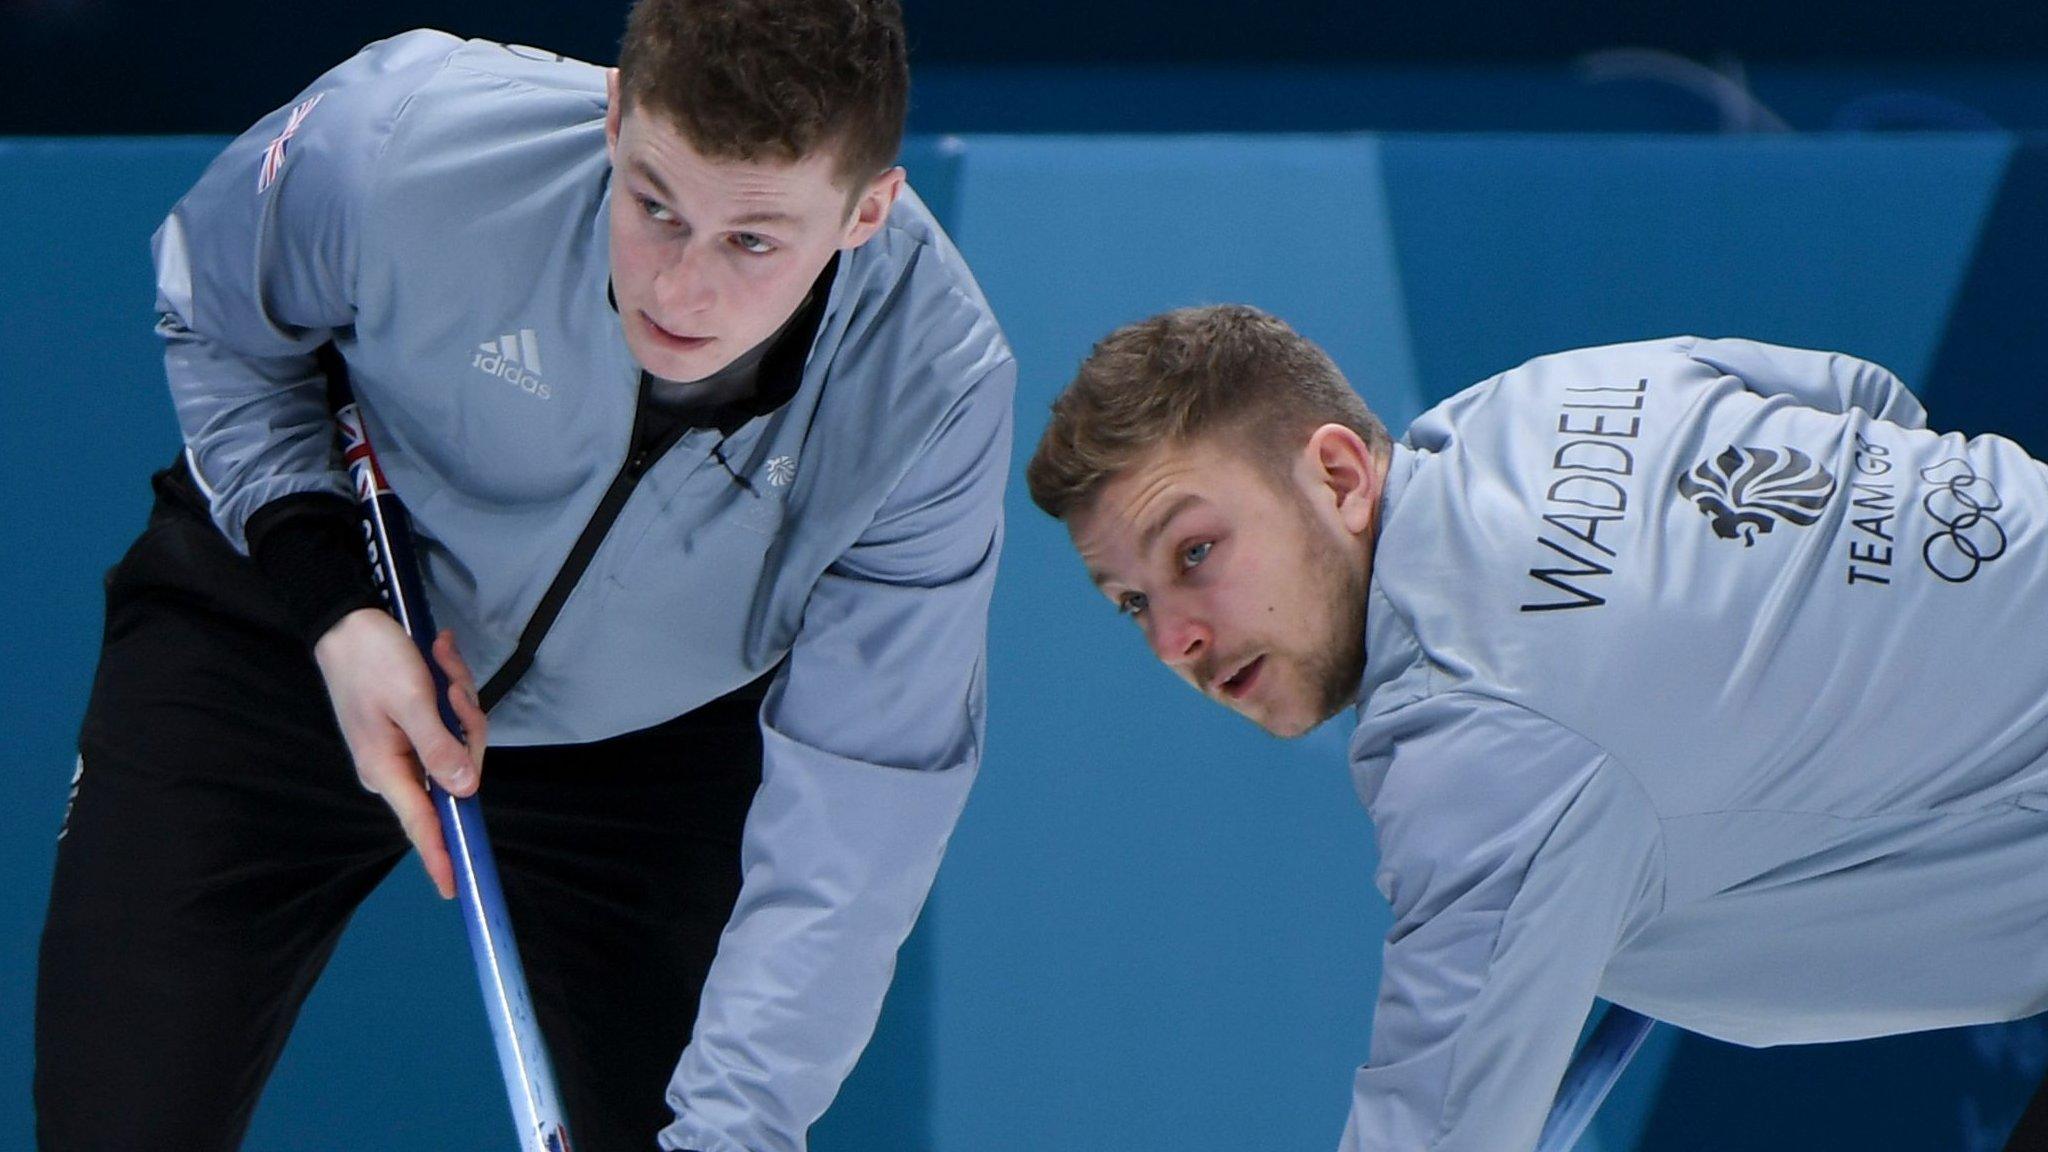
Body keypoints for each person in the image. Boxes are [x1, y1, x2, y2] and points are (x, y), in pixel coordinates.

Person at [34, 2, 1014, 1149]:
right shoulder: (407, 137)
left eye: (753, 240)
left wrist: (735, 1129)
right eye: (653, 205)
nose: (680, 289)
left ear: (865, 212)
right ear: (612, 113)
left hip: (648, 742)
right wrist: (333, 605)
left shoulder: (930, 392)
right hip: (281, 628)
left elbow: (855, 822)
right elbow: (220, 315)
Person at [1024, 304, 2048, 1151]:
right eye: (1130, 602)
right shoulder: (1549, 396)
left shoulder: (1481, 751)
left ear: (1337, 477)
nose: (1174, 639)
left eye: (1194, 551)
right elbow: (1868, 403)